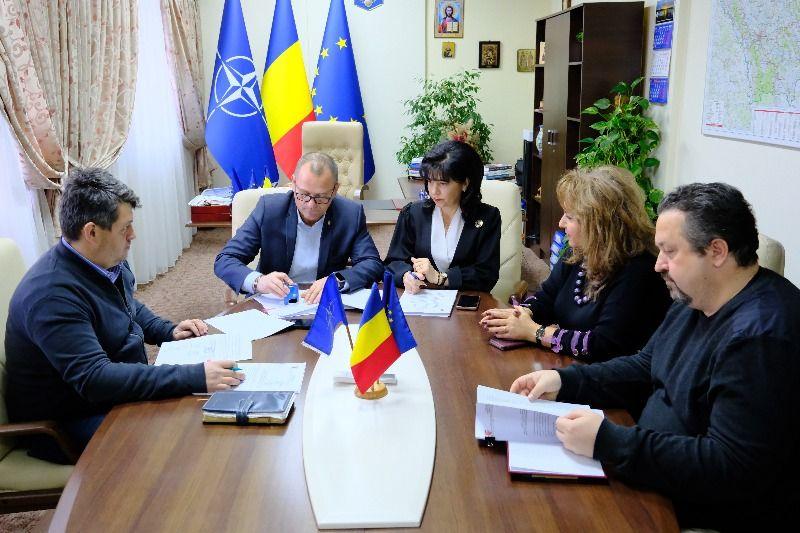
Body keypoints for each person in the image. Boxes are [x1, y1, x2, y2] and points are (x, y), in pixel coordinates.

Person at [510, 183, 800, 530]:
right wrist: (564, 381)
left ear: (717, 251)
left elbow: (729, 466)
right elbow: (646, 365)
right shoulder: (696, 295)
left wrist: (608, 442)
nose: (658, 264)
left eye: (670, 251)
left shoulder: (762, 337)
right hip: (650, 471)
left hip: (691, 509)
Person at [5, 168, 242, 461]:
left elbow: (126, 305)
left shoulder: (104, 258)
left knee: (199, 409)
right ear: (92, 232)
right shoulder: (52, 295)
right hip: (67, 422)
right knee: (183, 434)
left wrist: (166, 330)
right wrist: (193, 376)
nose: (133, 235)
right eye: (125, 228)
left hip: (108, 393)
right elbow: (96, 379)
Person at [481, 166, 670, 362]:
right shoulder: (580, 252)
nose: (561, 223)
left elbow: (603, 345)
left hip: (611, 376)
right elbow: (547, 298)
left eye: (570, 217)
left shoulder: (639, 270)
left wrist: (534, 332)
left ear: (599, 224)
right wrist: (521, 314)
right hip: (573, 367)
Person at [214, 152, 383, 303]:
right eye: (304, 194)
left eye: (321, 197)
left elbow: (372, 263)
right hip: (275, 302)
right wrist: (259, 281)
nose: (310, 205)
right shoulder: (270, 210)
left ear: (334, 190)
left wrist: (337, 280)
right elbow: (225, 259)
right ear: (294, 183)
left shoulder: (350, 214)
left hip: (323, 301)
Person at [384, 140, 500, 293]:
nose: (433, 191)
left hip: (465, 299)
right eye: (430, 181)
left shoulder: (488, 217)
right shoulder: (412, 213)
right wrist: (406, 275)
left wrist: (441, 278)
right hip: (421, 296)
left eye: (443, 183)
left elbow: (487, 275)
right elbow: (393, 262)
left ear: (465, 183)